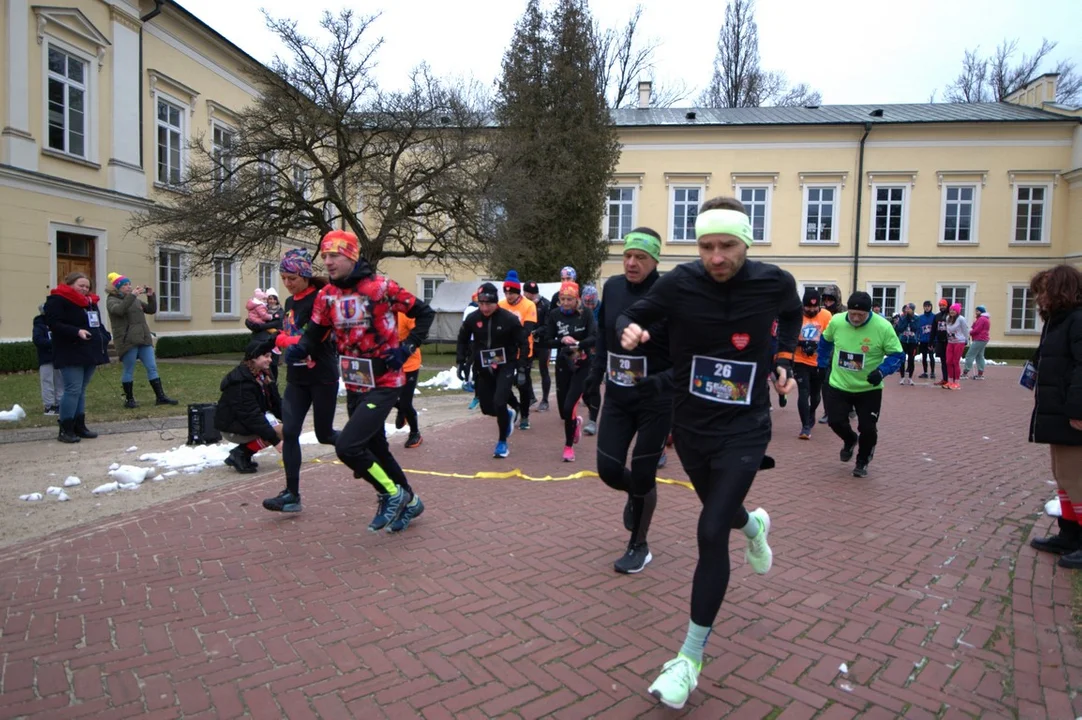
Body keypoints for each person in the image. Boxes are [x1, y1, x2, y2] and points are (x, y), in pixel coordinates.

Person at [617, 198, 797, 710]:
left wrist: (782, 358)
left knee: (710, 530)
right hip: (691, 425)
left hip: (745, 427)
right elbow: (633, 311)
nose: (716, 258)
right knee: (720, 512)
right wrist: (628, 329)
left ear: (747, 243)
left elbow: (790, 315)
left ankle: (688, 659)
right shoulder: (678, 282)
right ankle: (755, 527)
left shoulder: (773, 281)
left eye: (727, 246)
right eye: (706, 247)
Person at [285, 230, 434, 533]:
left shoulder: (381, 288)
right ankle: (412, 500)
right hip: (355, 381)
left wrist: (406, 347)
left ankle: (391, 494)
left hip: (386, 380)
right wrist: (300, 348)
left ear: (351, 256)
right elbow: (315, 333)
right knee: (376, 447)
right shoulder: (326, 296)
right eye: (324, 256)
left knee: (348, 447)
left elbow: (425, 313)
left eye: (334, 255)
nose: (327, 261)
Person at [590, 227, 672, 574]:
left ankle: (639, 545)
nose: (631, 262)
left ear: (655, 260)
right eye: (627, 255)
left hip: (656, 398)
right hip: (619, 394)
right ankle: (635, 495)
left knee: (643, 472)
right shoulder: (612, 287)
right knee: (609, 469)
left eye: (640, 257)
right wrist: (593, 380)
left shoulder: (670, 293)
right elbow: (604, 336)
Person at [262, 249, 340, 513]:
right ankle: (292, 494)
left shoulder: (320, 299)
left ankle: (363, 443)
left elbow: (315, 337)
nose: (287, 283)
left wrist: (285, 340)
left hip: (322, 375)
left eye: (292, 277)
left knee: (325, 434)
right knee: (291, 431)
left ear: (305, 275)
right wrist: (284, 339)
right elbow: (287, 333)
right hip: (296, 376)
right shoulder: (288, 302)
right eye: (284, 277)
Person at [1026, 265, 1082, 570]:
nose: (1040, 299)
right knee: (1064, 477)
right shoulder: (1058, 322)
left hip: (1072, 415)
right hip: (1058, 412)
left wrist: (1077, 410)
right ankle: (1069, 534)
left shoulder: (1077, 320)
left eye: (1044, 292)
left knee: (1078, 478)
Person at [818, 291, 905, 478]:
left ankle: (862, 461)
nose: (856, 318)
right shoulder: (837, 321)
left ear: (869, 313)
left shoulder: (883, 327)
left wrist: (882, 371)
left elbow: (898, 355)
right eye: (852, 314)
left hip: (868, 389)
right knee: (834, 421)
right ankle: (850, 440)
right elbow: (825, 341)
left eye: (861, 315)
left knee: (867, 428)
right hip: (839, 384)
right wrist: (821, 363)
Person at [457, 283, 530, 458]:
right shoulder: (473, 319)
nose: (484, 308)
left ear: (496, 302)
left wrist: (521, 367)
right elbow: (462, 339)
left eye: (488, 304)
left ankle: (502, 442)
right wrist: (461, 361)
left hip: (506, 364)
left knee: (499, 401)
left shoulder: (509, 319)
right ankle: (510, 413)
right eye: (481, 303)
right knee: (487, 408)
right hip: (484, 366)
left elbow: (524, 343)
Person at [44, 273, 111, 443]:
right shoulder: (57, 300)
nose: (84, 289)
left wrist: (104, 335)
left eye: (87, 286)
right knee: (72, 389)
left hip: (89, 351)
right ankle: (65, 428)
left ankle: (79, 425)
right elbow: (54, 324)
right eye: (80, 285)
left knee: (81, 389)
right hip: (70, 351)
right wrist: (76, 331)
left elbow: (97, 323)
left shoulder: (90, 303)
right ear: (70, 283)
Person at [105, 272, 177, 408]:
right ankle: (129, 399)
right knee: (129, 369)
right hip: (128, 340)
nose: (128, 287)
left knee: (152, 367)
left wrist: (151, 297)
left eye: (129, 284)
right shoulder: (112, 300)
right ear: (117, 287)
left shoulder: (135, 300)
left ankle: (160, 397)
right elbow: (119, 311)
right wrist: (132, 296)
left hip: (144, 338)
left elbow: (151, 309)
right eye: (125, 285)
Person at [545, 281, 597, 462]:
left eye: (569, 299)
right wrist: (561, 340)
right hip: (563, 364)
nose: (566, 303)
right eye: (562, 299)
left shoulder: (586, 314)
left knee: (570, 406)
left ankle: (568, 447)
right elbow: (548, 340)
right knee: (564, 411)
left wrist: (578, 343)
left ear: (577, 300)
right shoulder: (554, 314)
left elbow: (594, 337)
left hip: (581, 364)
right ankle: (575, 423)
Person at [216, 337, 284, 473]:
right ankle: (240, 454)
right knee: (281, 432)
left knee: (289, 429)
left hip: (248, 421)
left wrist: (290, 419)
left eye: (270, 356)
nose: (270, 360)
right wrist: (276, 441)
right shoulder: (241, 382)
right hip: (232, 426)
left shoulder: (264, 375)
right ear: (253, 358)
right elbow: (251, 416)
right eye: (266, 356)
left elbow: (276, 403)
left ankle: (243, 454)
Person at [498, 270, 537, 430]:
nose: (509, 296)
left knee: (523, 384)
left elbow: (527, 329)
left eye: (512, 292)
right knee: (501, 384)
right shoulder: (500, 305)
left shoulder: (529, 305)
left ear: (517, 291)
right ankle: (516, 406)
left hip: (523, 351)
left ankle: (525, 416)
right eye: (506, 292)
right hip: (504, 352)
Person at [794, 288, 831, 438]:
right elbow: (787, 335)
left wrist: (818, 345)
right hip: (800, 359)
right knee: (803, 391)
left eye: (815, 307)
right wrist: (802, 344)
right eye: (808, 307)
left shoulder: (827, 315)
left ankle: (811, 412)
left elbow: (831, 336)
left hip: (819, 361)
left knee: (815, 395)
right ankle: (805, 427)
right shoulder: (796, 316)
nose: (811, 310)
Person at [394, 311, 424, 448]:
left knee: (406, 402)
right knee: (383, 397)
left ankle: (415, 433)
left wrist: (406, 346)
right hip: (390, 363)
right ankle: (402, 409)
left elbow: (419, 333)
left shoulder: (405, 314)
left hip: (409, 363)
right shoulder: (379, 312)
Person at [818, 284, 846, 424]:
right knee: (826, 383)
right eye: (826, 300)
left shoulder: (845, 313)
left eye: (831, 299)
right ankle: (828, 411)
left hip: (844, 352)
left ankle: (849, 407)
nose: (828, 303)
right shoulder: (822, 313)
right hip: (828, 354)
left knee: (846, 382)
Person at [523, 281, 552, 411]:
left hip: (543, 342)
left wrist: (536, 332)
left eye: (533, 294)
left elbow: (548, 325)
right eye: (528, 293)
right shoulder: (523, 305)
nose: (531, 296)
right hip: (528, 343)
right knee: (525, 369)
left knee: (543, 370)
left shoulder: (545, 304)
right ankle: (531, 397)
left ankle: (545, 400)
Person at [32, 303, 62, 415]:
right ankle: (49, 406)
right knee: (47, 381)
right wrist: (53, 343)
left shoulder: (57, 323)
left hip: (58, 357)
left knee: (60, 381)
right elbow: (38, 340)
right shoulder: (39, 325)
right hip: (46, 358)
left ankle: (60, 403)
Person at [581, 284, 602, 436]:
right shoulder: (579, 311)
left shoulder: (604, 310)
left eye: (591, 303)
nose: (589, 305)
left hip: (599, 352)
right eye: (586, 302)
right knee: (583, 388)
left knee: (593, 384)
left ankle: (593, 421)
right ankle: (591, 407)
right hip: (582, 352)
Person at [944, 303, 970, 390]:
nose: (952, 311)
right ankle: (950, 380)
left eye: (954, 310)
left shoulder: (961, 319)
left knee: (955, 362)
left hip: (959, 342)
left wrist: (966, 339)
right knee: (948, 361)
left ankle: (957, 382)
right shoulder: (948, 318)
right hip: (950, 341)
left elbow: (965, 330)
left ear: (957, 311)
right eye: (951, 309)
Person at [894, 303, 921, 385]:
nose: (907, 310)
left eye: (909, 309)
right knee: (902, 359)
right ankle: (902, 377)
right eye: (906, 308)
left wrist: (911, 320)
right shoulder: (902, 318)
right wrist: (906, 320)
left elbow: (915, 328)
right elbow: (900, 329)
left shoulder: (916, 318)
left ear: (912, 310)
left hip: (912, 341)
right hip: (903, 341)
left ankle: (910, 378)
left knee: (911, 359)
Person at [963, 305, 990, 380]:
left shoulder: (981, 319)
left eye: (978, 311)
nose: (976, 312)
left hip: (979, 339)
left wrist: (970, 332)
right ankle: (980, 374)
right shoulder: (984, 319)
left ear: (981, 312)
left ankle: (965, 372)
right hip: (983, 339)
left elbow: (977, 329)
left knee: (969, 355)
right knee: (979, 356)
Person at [917, 301, 937, 379]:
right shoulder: (920, 317)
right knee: (924, 356)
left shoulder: (934, 317)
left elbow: (936, 329)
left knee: (931, 356)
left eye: (928, 306)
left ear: (931, 307)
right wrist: (918, 337)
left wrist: (935, 339)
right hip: (923, 340)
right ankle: (925, 372)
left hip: (931, 340)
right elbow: (918, 328)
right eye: (925, 306)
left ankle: (932, 372)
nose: (927, 308)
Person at [933, 298, 950, 386]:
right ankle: (945, 378)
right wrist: (931, 341)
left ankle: (951, 379)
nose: (942, 307)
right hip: (940, 341)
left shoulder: (950, 315)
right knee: (943, 361)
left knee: (949, 361)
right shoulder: (937, 316)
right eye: (940, 305)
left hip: (949, 341)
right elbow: (933, 329)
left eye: (943, 305)